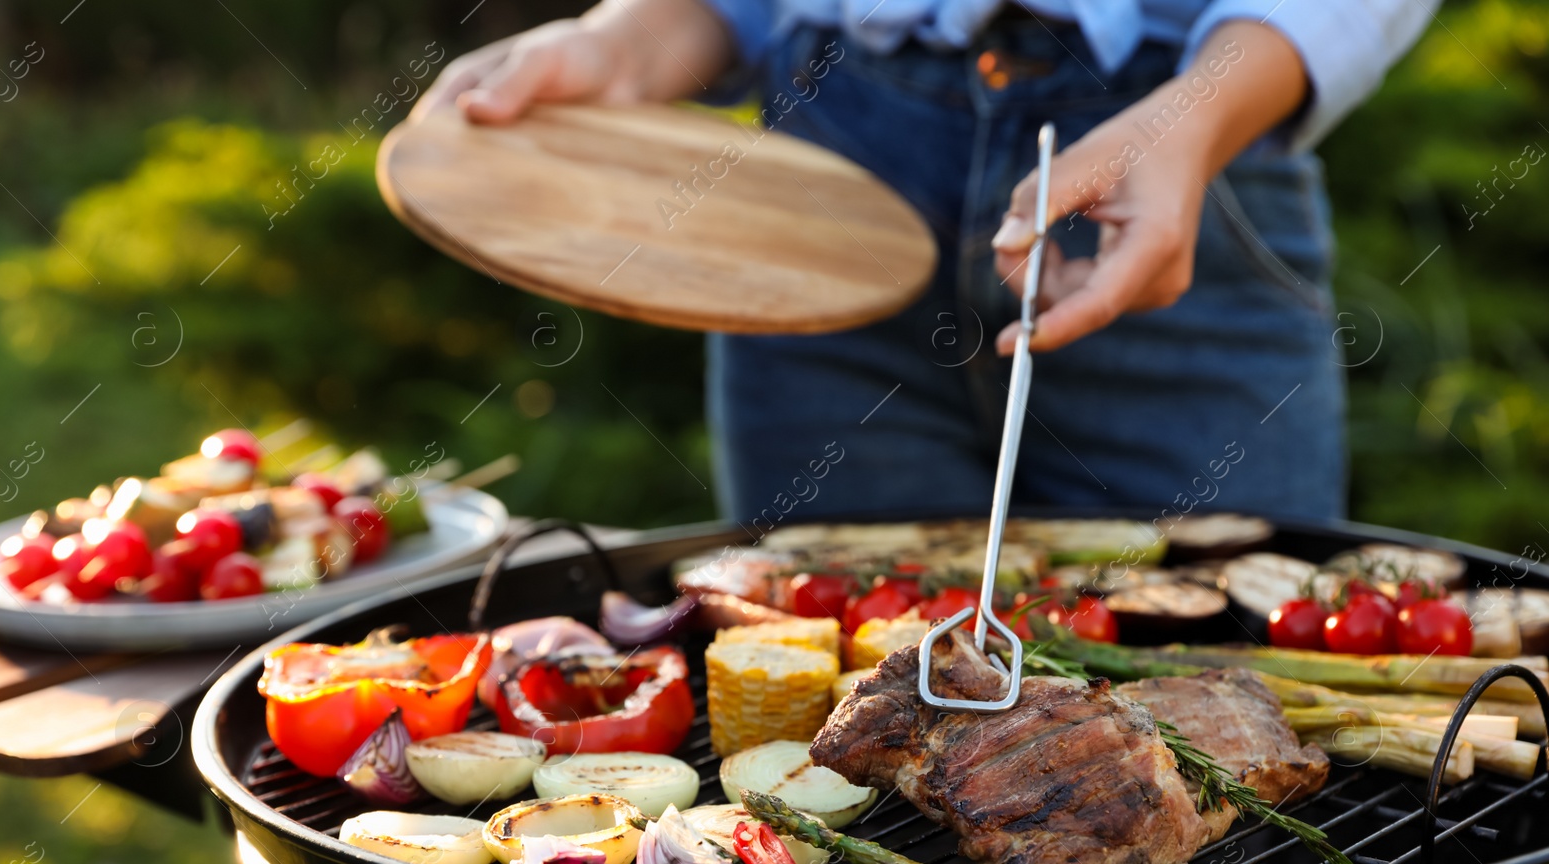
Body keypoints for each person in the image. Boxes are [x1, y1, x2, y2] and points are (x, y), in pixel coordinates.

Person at [416, 1, 1434, 525]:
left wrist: (1201, 117)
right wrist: (624, 43)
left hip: (1172, 148)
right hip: (826, 167)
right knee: (823, 717)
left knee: (1231, 710)